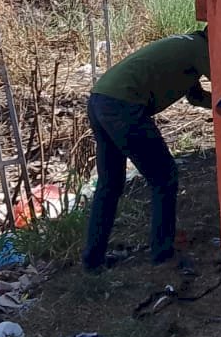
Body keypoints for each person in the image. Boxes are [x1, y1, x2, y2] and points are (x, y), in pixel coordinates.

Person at [82, 29, 212, 272]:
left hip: (100, 100)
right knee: (164, 177)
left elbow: (196, 97)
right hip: (124, 107)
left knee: (109, 185)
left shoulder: (187, 45)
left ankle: (93, 260)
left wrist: (219, 105)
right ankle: (163, 254)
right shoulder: (201, 50)